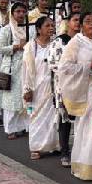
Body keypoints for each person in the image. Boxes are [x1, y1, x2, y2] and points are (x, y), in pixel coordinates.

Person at [65, 13, 92, 180]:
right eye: (88, 21)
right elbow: (65, 67)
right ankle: (86, 165)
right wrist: (89, 66)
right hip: (87, 89)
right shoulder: (76, 42)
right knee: (89, 125)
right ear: (81, 25)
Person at [49, 11, 85, 168]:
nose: (78, 23)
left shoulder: (85, 41)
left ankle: (81, 152)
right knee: (65, 119)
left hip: (83, 85)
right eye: (75, 20)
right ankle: (65, 152)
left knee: (82, 119)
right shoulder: (60, 41)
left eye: (80, 20)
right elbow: (54, 63)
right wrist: (77, 69)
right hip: (64, 85)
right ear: (68, 22)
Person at [22, 16, 59, 161]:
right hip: (36, 88)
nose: (51, 28)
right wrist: (27, 89)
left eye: (52, 25)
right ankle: (36, 147)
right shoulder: (31, 47)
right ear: (38, 29)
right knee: (36, 117)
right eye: (47, 26)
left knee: (54, 117)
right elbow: (26, 70)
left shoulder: (56, 44)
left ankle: (54, 145)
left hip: (54, 87)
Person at [0, 3, 31, 140]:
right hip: (11, 69)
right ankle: (10, 128)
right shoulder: (7, 29)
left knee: (25, 98)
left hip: (27, 68)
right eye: (18, 11)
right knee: (11, 101)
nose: (21, 14)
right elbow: (0, 48)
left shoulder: (30, 29)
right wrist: (17, 46)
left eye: (23, 11)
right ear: (12, 13)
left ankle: (23, 126)